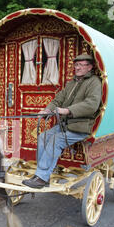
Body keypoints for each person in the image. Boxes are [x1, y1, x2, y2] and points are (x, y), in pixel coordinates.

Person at [22, 54, 102, 189]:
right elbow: (58, 100)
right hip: (66, 125)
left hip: (82, 126)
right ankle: (42, 175)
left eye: (82, 65)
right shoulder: (72, 83)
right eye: (76, 65)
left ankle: (42, 177)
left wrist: (67, 110)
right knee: (43, 137)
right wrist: (47, 110)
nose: (78, 68)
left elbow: (91, 104)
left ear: (90, 67)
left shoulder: (94, 82)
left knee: (55, 140)